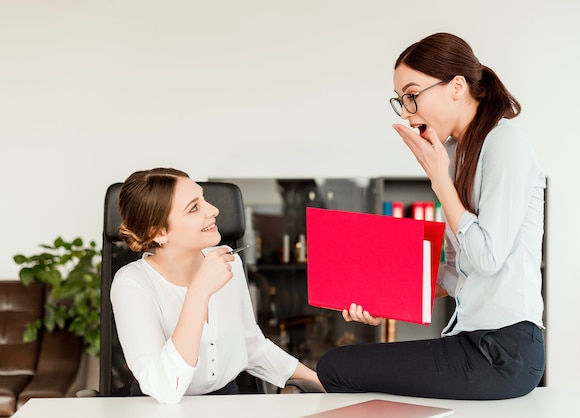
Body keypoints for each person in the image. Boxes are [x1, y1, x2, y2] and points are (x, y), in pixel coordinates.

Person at [316, 32, 546, 400]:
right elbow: (458, 272)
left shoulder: (505, 143)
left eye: (412, 95)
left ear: (456, 86)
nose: (407, 111)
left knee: (334, 367)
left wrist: (440, 180)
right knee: (336, 366)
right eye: (401, 100)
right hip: (472, 339)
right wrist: (382, 299)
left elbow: (487, 258)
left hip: (505, 351)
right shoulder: (453, 154)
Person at [110, 167, 321, 404]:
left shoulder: (226, 262)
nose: (214, 210)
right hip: (163, 409)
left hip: (226, 404)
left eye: (204, 199)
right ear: (158, 232)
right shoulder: (132, 284)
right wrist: (199, 292)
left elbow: (251, 346)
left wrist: (323, 383)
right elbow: (165, 387)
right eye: (194, 207)